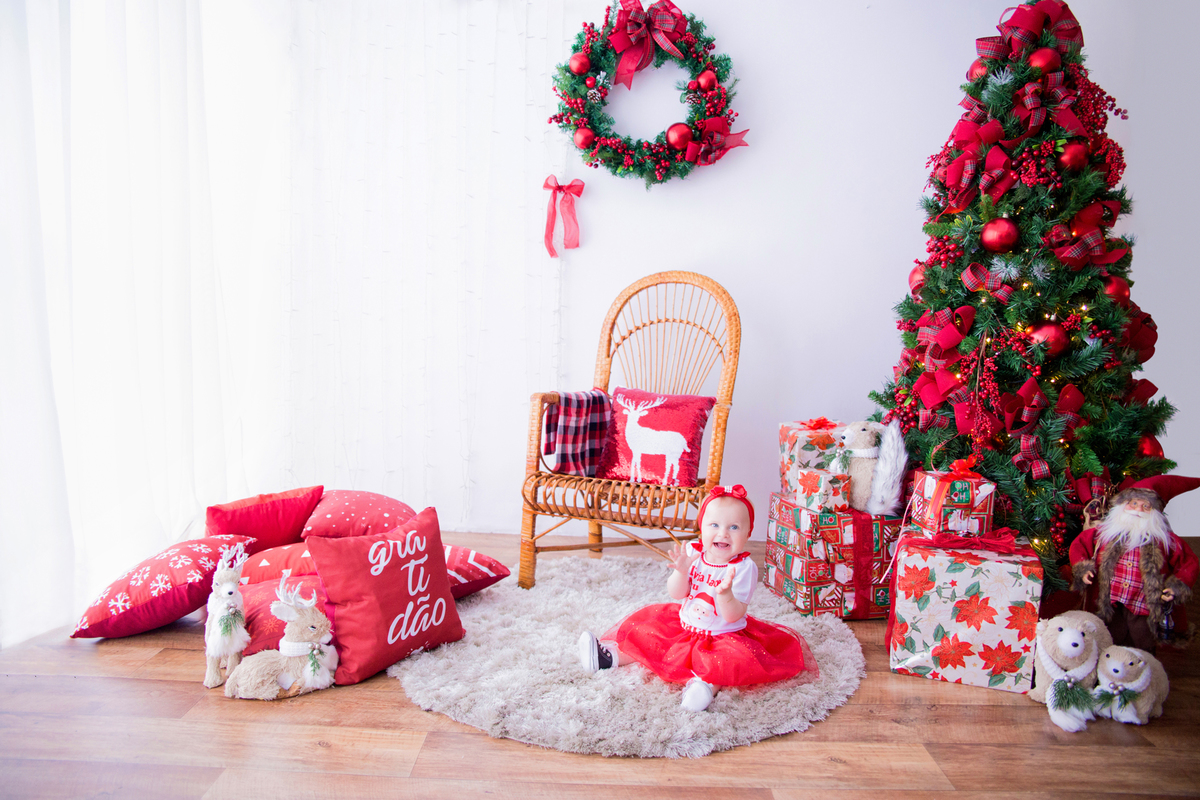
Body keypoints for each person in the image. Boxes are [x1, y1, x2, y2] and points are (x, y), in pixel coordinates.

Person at [577, 484, 819, 712]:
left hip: (723, 636)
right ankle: (608, 658)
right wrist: (680, 572)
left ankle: (704, 687)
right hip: (683, 626)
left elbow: (734, 614)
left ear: (748, 533)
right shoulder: (693, 553)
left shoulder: (744, 568)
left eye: (734, 527)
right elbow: (677, 594)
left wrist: (724, 594)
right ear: (701, 527)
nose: (723, 533)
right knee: (650, 638)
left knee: (724, 662)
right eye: (714, 525)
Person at [1070, 475, 1199, 653]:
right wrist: (1083, 569)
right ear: (1123, 505)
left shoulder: (1165, 541)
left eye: (1146, 506)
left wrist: (1176, 586)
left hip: (1143, 604)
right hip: (1108, 601)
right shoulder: (1104, 533)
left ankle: (1142, 670)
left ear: (1155, 512)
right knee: (1107, 636)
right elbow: (1080, 545)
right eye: (1134, 504)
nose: (1138, 510)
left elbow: (1189, 561)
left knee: (1142, 641)